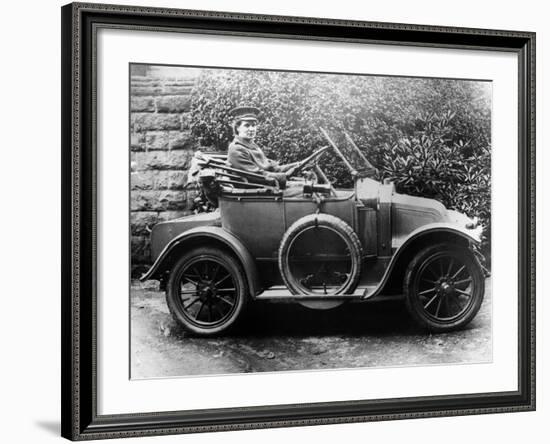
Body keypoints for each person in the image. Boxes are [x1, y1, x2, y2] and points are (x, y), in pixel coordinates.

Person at [227, 106, 299, 189]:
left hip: (265, 187)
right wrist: (284, 176)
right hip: (255, 192)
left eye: (253, 125)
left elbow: (272, 168)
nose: (251, 129)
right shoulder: (236, 149)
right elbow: (256, 175)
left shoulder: (252, 146)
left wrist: (296, 165)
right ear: (237, 128)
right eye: (247, 126)